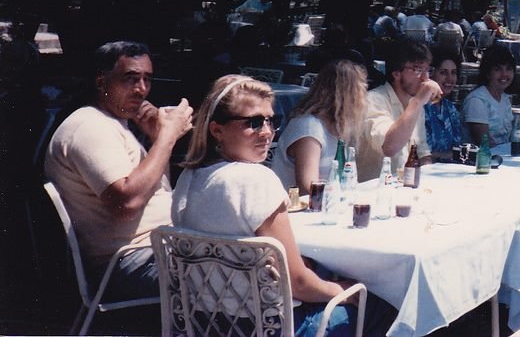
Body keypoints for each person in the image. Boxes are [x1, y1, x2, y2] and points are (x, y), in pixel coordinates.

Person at [173, 75, 394, 336]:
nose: (267, 132)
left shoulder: (189, 177)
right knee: (384, 304)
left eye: (271, 121)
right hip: (271, 326)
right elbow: (299, 283)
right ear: (217, 130)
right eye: (253, 123)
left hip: (205, 322)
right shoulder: (256, 179)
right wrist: (341, 290)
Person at [44, 41, 194, 300]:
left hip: (155, 251)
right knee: (241, 276)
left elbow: (156, 192)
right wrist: (167, 137)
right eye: (130, 79)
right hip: (130, 263)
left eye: (147, 79)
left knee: (248, 261)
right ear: (101, 82)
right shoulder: (89, 127)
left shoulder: (112, 124)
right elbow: (127, 203)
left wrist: (156, 138)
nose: (141, 89)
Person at [271, 60, 368, 194]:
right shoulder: (309, 128)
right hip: (297, 205)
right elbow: (308, 187)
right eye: (361, 90)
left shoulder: (338, 125)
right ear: (347, 95)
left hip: (329, 200)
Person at [359, 39, 438, 181]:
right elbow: (389, 148)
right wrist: (418, 101)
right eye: (418, 70)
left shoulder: (416, 104)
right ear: (396, 74)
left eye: (428, 70)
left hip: (405, 185)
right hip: (373, 189)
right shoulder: (373, 100)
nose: (426, 78)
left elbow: (422, 153)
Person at [462, 45, 517, 146]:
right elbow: (485, 143)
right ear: (487, 73)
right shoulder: (477, 100)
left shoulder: (505, 98)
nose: (504, 74)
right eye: (497, 69)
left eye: (508, 69)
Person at [424, 49, 464, 159]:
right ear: (430, 74)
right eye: (443, 73)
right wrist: (451, 155)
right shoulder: (419, 107)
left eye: (453, 73)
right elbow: (419, 154)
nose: (450, 78)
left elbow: (458, 147)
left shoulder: (450, 108)